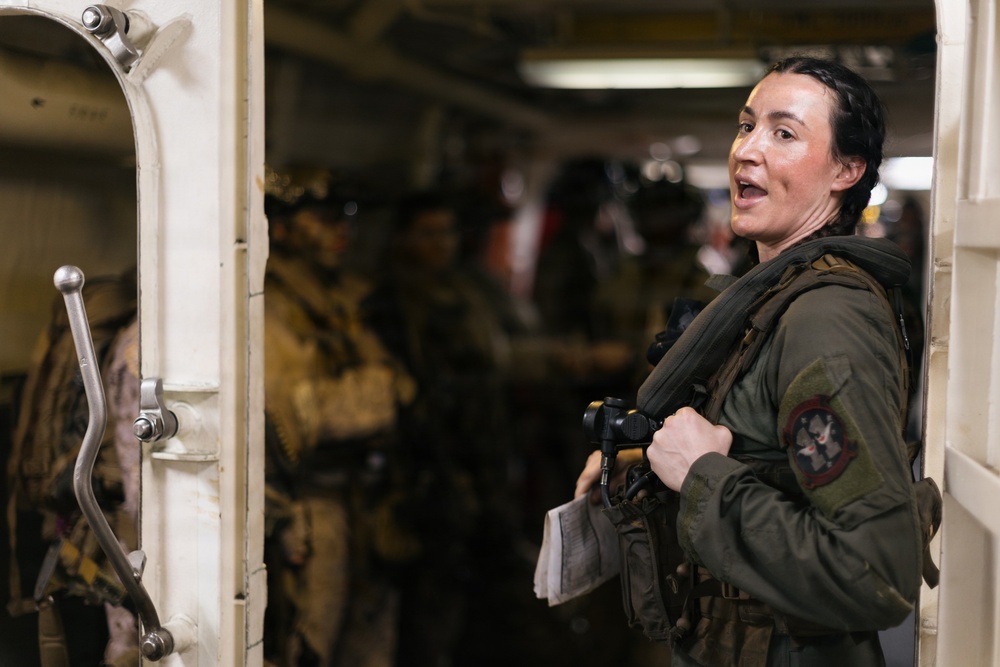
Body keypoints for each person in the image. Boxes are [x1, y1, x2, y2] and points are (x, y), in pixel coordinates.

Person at [574, 56, 928, 667]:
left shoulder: (826, 319)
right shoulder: (774, 295)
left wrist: (702, 473)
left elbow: (875, 572)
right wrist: (648, 459)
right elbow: (771, 459)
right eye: (746, 126)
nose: (747, 150)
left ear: (847, 170)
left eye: (783, 133)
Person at [261, 166, 416, 667]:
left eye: (347, 216)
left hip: (364, 498)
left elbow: (401, 385)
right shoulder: (267, 304)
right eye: (325, 217)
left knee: (369, 643)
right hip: (311, 506)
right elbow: (298, 417)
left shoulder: (342, 297)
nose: (342, 229)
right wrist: (376, 391)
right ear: (280, 227)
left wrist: (376, 390)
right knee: (310, 644)